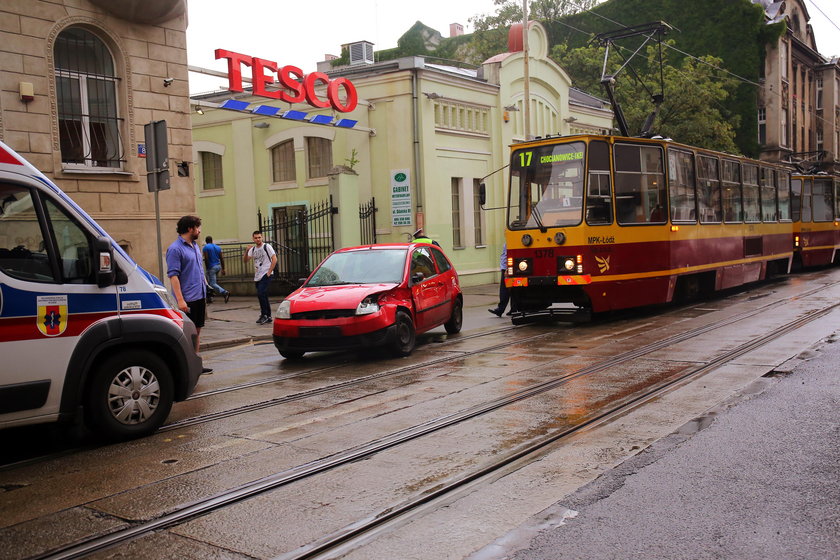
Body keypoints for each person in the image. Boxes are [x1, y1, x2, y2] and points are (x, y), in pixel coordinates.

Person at [166, 215, 213, 374]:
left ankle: (195, 363)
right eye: (197, 227)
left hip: (199, 296)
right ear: (189, 229)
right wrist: (180, 300)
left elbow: (198, 269)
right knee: (186, 334)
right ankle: (183, 367)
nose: (199, 231)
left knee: (197, 331)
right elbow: (173, 276)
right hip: (187, 299)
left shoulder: (194, 246)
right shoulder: (175, 249)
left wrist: (206, 284)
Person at [244, 230, 277, 325]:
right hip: (258, 275)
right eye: (256, 238)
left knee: (261, 293)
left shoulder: (267, 246)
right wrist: (246, 251)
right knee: (263, 295)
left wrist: (269, 272)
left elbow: (274, 259)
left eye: (259, 237)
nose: (258, 239)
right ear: (253, 239)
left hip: (266, 274)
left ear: (262, 237)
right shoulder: (253, 249)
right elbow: (245, 261)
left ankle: (264, 315)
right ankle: (268, 316)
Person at [488, 243, 516, 317]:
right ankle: (512, 309)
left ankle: (502, 309)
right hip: (505, 268)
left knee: (506, 289)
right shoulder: (507, 241)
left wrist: (507, 269)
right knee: (509, 289)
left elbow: (510, 255)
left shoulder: (511, 240)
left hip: (508, 270)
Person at [202, 236, 230, 304]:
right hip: (218, 266)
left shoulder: (206, 247)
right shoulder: (218, 247)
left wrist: (207, 268)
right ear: (212, 240)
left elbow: (206, 258)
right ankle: (210, 297)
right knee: (211, 282)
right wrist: (223, 268)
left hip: (211, 267)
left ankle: (225, 292)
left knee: (212, 283)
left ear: (206, 241)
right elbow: (221, 258)